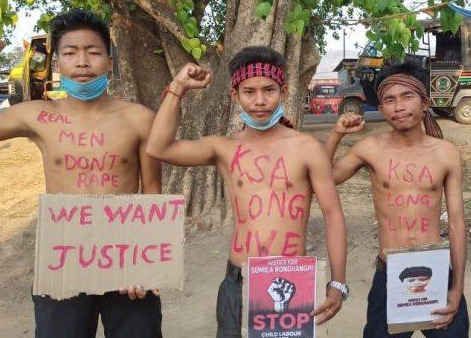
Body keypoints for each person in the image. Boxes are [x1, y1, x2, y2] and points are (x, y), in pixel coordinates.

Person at [0, 9, 163, 337]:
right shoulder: (38, 116)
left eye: (93, 52)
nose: (82, 62)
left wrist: (147, 265)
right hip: (63, 257)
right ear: (57, 64)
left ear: (109, 61)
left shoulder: (139, 119)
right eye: (70, 53)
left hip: (126, 256)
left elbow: (152, 192)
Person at [145, 46, 349, 337]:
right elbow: (158, 148)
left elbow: (333, 215)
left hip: (291, 279)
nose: (260, 101)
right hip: (238, 279)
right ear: (235, 96)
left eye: (269, 90)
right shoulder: (225, 148)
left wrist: (337, 282)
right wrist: (177, 88)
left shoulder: (307, 148)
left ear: (284, 91)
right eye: (249, 92)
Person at [325, 62, 469, 337]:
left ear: (425, 102)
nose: (398, 106)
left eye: (407, 97)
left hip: (436, 270)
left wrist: (457, 287)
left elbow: (457, 224)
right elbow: (326, 177)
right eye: (389, 100)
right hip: (390, 271)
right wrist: (336, 134)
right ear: (381, 109)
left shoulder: (446, 153)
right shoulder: (370, 148)